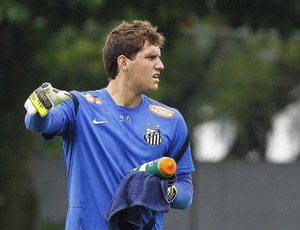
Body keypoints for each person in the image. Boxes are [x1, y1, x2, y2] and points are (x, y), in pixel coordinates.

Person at [24, 20, 195, 229]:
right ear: (123, 63)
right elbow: (39, 124)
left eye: (159, 57)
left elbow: (186, 193)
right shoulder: (79, 106)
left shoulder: (171, 120)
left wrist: (164, 191)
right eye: (150, 57)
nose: (160, 65)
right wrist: (39, 106)